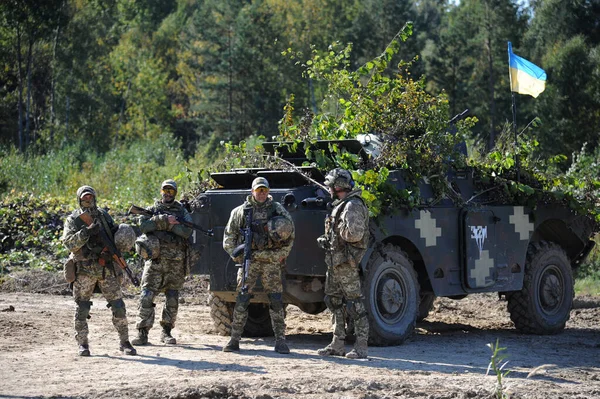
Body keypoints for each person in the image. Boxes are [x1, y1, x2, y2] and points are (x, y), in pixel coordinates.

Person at [61, 185, 137, 356]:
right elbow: (69, 243)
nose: (87, 201)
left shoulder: (103, 216)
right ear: (79, 199)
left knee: (118, 306)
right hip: (84, 270)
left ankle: (124, 342)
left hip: (106, 269)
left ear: (94, 198)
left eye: (90, 198)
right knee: (82, 309)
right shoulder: (74, 219)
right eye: (84, 198)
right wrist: (86, 232)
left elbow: (114, 236)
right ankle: (83, 344)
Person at [222, 177, 295, 354]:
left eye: (264, 190)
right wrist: (237, 256)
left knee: (276, 301)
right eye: (258, 190)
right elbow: (229, 238)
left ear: (268, 192)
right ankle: (234, 340)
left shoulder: (277, 210)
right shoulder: (240, 212)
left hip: (271, 261)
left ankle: (281, 341)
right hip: (249, 260)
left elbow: (290, 235)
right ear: (252, 191)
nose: (261, 193)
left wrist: (279, 256)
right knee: (242, 299)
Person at [317, 168, 370, 359]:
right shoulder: (341, 204)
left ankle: (361, 346)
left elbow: (354, 234)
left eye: (330, 185)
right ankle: (337, 344)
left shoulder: (352, 206)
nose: (328, 188)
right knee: (333, 301)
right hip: (335, 262)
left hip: (346, 263)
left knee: (355, 304)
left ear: (337, 186)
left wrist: (336, 233)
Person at [131, 179, 192, 346]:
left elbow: (187, 231)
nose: (167, 193)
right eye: (165, 190)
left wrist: (172, 227)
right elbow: (143, 226)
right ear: (161, 191)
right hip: (155, 261)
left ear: (175, 193)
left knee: (172, 297)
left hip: (175, 262)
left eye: (171, 191)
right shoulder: (152, 209)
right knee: (146, 295)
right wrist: (163, 221)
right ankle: (142, 332)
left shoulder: (181, 211)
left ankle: (166, 332)